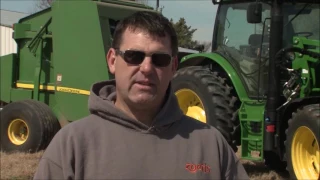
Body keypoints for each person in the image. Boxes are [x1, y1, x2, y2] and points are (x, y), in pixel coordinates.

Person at [33, 11, 249, 180]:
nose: (146, 68)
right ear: (112, 60)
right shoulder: (72, 145)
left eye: (159, 59)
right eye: (134, 56)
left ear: (173, 66)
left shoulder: (211, 146)